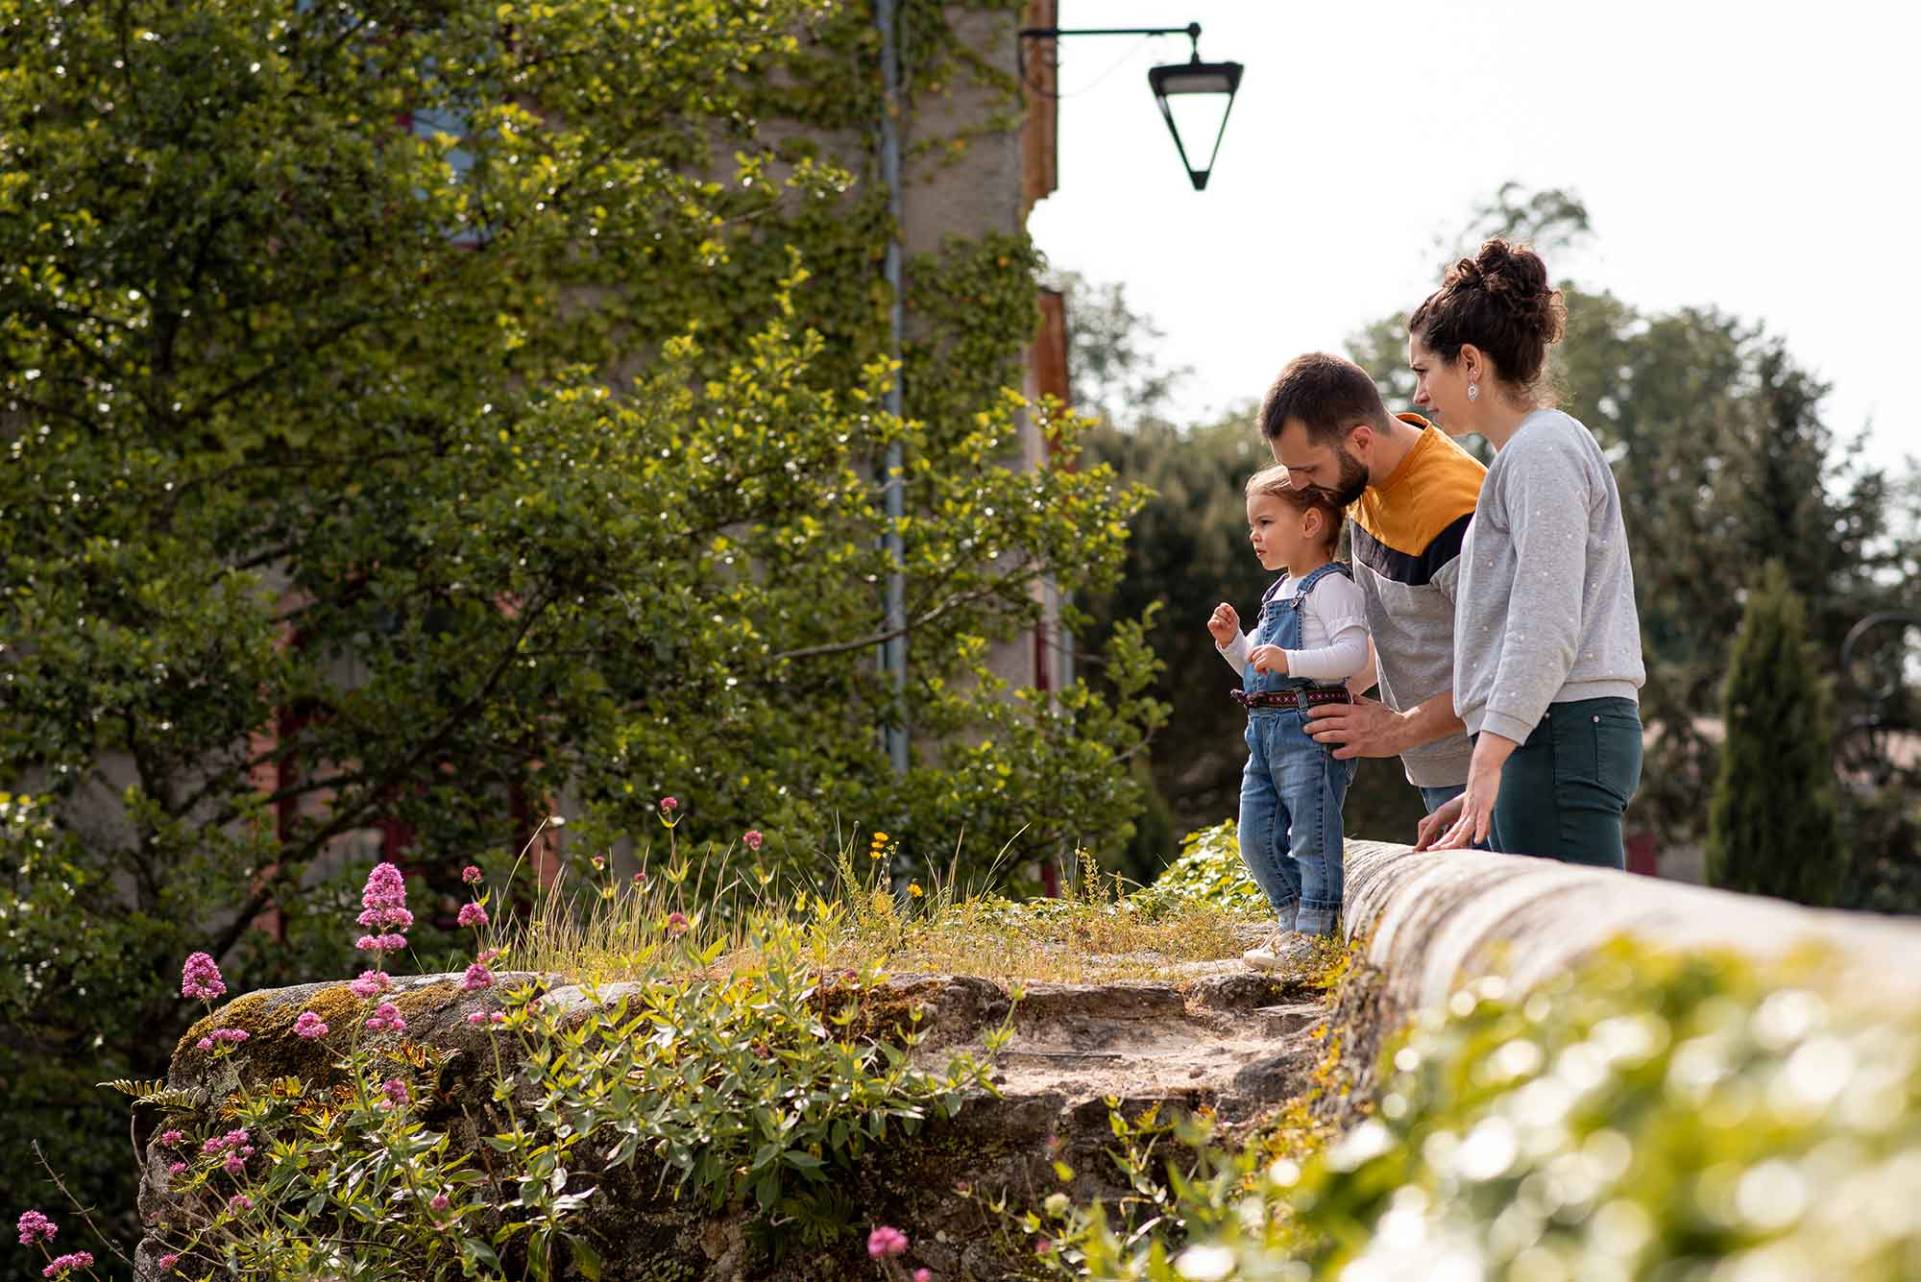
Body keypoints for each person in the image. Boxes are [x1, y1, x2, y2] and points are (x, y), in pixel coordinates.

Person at [1407, 239, 1646, 867]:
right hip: (1545, 741)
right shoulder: (1527, 454)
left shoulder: (1543, 451)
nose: (1421, 396)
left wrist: (1488, 759)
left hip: (1563, 733)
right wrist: (1494, 771)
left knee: (1581, 957)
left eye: (1423, 371)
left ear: (1469, 362)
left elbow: (1545, 620)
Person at [1260, 353, 1486, 816]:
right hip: (1439, 772)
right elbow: (1404, 630)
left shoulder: (1457, 508)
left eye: (1308, 469)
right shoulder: (1360, 482)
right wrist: (1313, 696)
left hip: (1490, 773)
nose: (1299, 486)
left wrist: (1397, 729)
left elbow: (1505, 668)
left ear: (1360, 440)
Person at [1207, 467, 1367, 968]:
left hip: (1308, 729)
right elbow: (1260, 662)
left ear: (1310, 523)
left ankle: (1315, 931)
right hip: (1265, 732)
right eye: (1253, 524)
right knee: (1254, 835)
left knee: (1310, 833)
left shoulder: (1330, 586)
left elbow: (1352, 654)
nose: (1254, 535)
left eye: (1265, 522)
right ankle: (1292, 920)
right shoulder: (1278, 591)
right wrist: (1235, 644)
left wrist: (1289, 660)